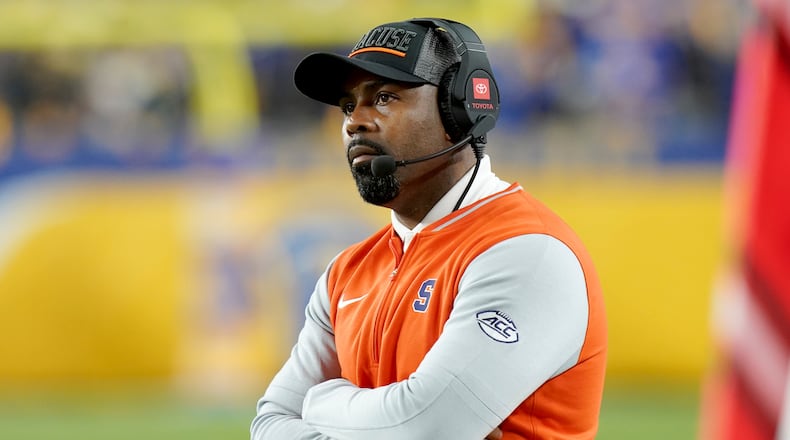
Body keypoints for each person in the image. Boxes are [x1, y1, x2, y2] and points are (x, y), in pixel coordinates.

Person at [251, 17, 607, 440]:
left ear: (459, 111)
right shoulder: (345, 273)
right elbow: (269, 425)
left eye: (383, 97)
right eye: (349, 105)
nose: (354, 122)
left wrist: (318, 403)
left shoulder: (528, 252)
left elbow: (425, 428)